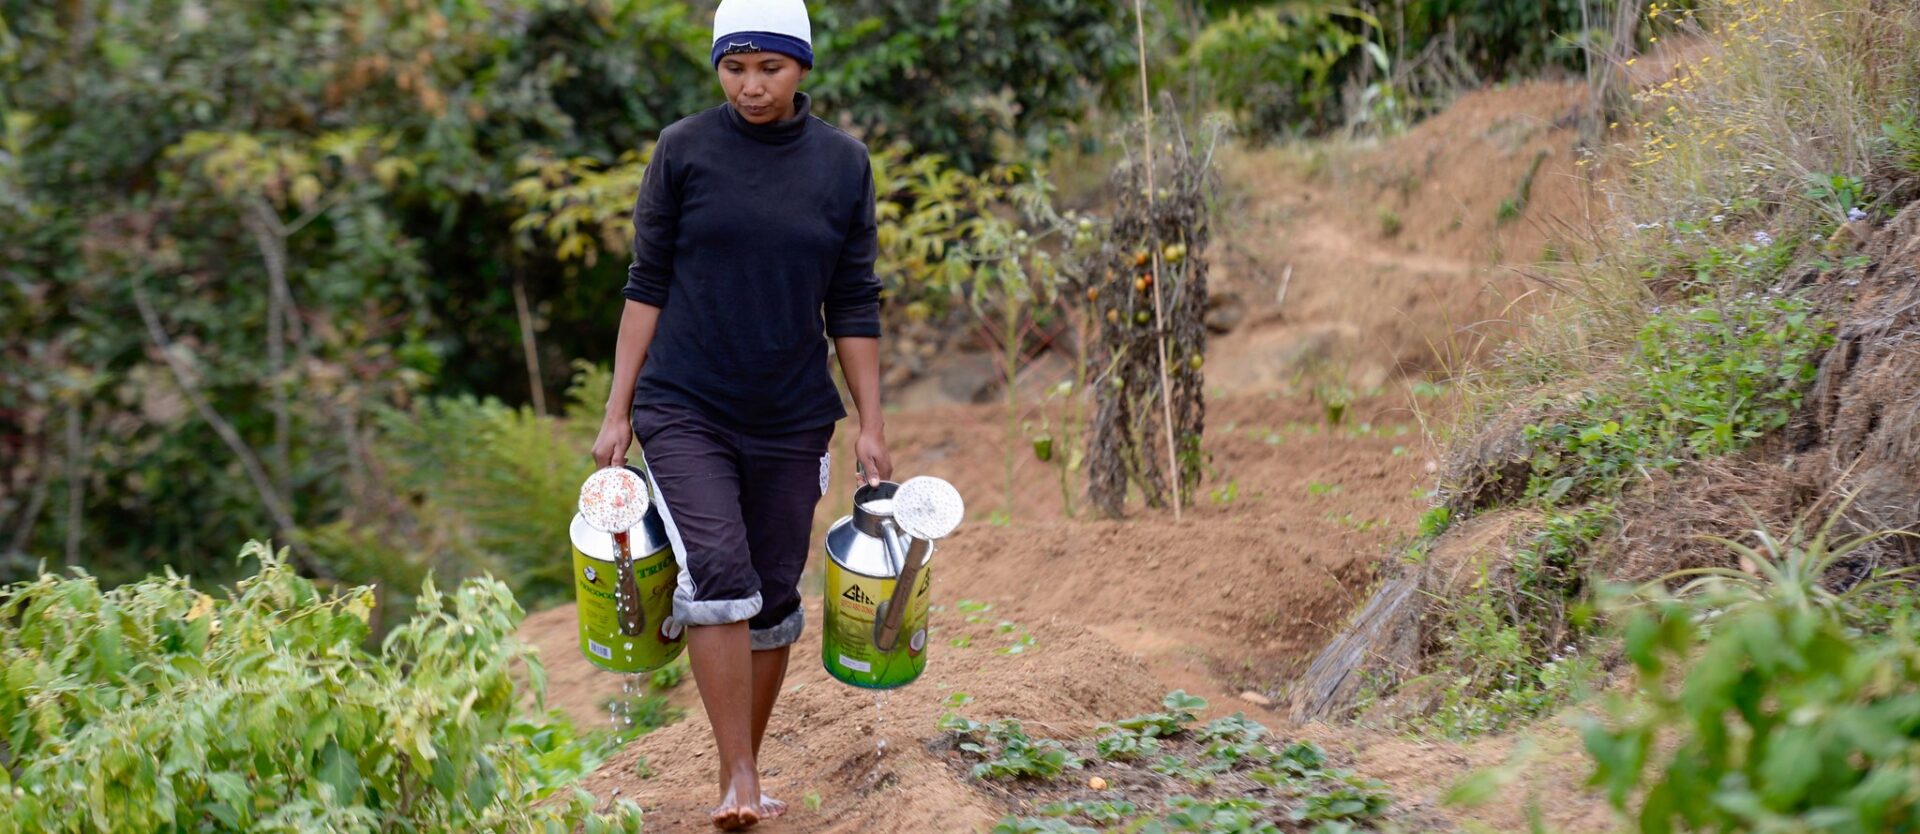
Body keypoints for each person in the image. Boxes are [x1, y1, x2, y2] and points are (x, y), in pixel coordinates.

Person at [589, 0, 890, 828]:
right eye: (734, 67)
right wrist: (619, 411)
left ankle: (745, 768)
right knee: (717, 570)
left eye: (771, 68)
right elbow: (646, 282)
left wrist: (870, 423)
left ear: (802, 69)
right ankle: (739, 781)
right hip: (685, 401)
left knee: (773, 593)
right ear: (718, 66)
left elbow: (854, 301)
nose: (751, 86)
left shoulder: (842, 164)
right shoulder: (684, 149)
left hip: (793, 412)